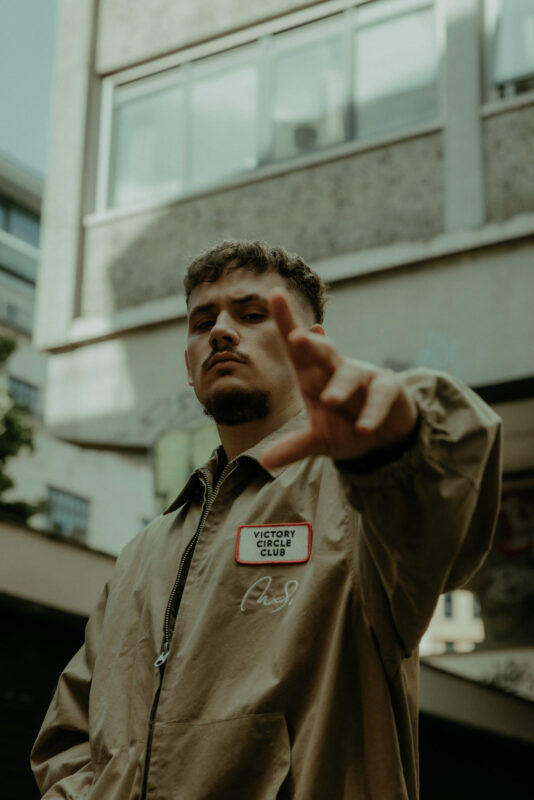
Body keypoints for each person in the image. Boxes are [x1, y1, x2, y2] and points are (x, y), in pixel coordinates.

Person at [31, 241, 502, 799]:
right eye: (202, 321)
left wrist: (398, 443)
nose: (221, 332)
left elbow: (443, 512)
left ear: (311, 345)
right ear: (188, 365)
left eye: (252, 315)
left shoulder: (361, 498)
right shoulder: (142, 553)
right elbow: (68, 737)